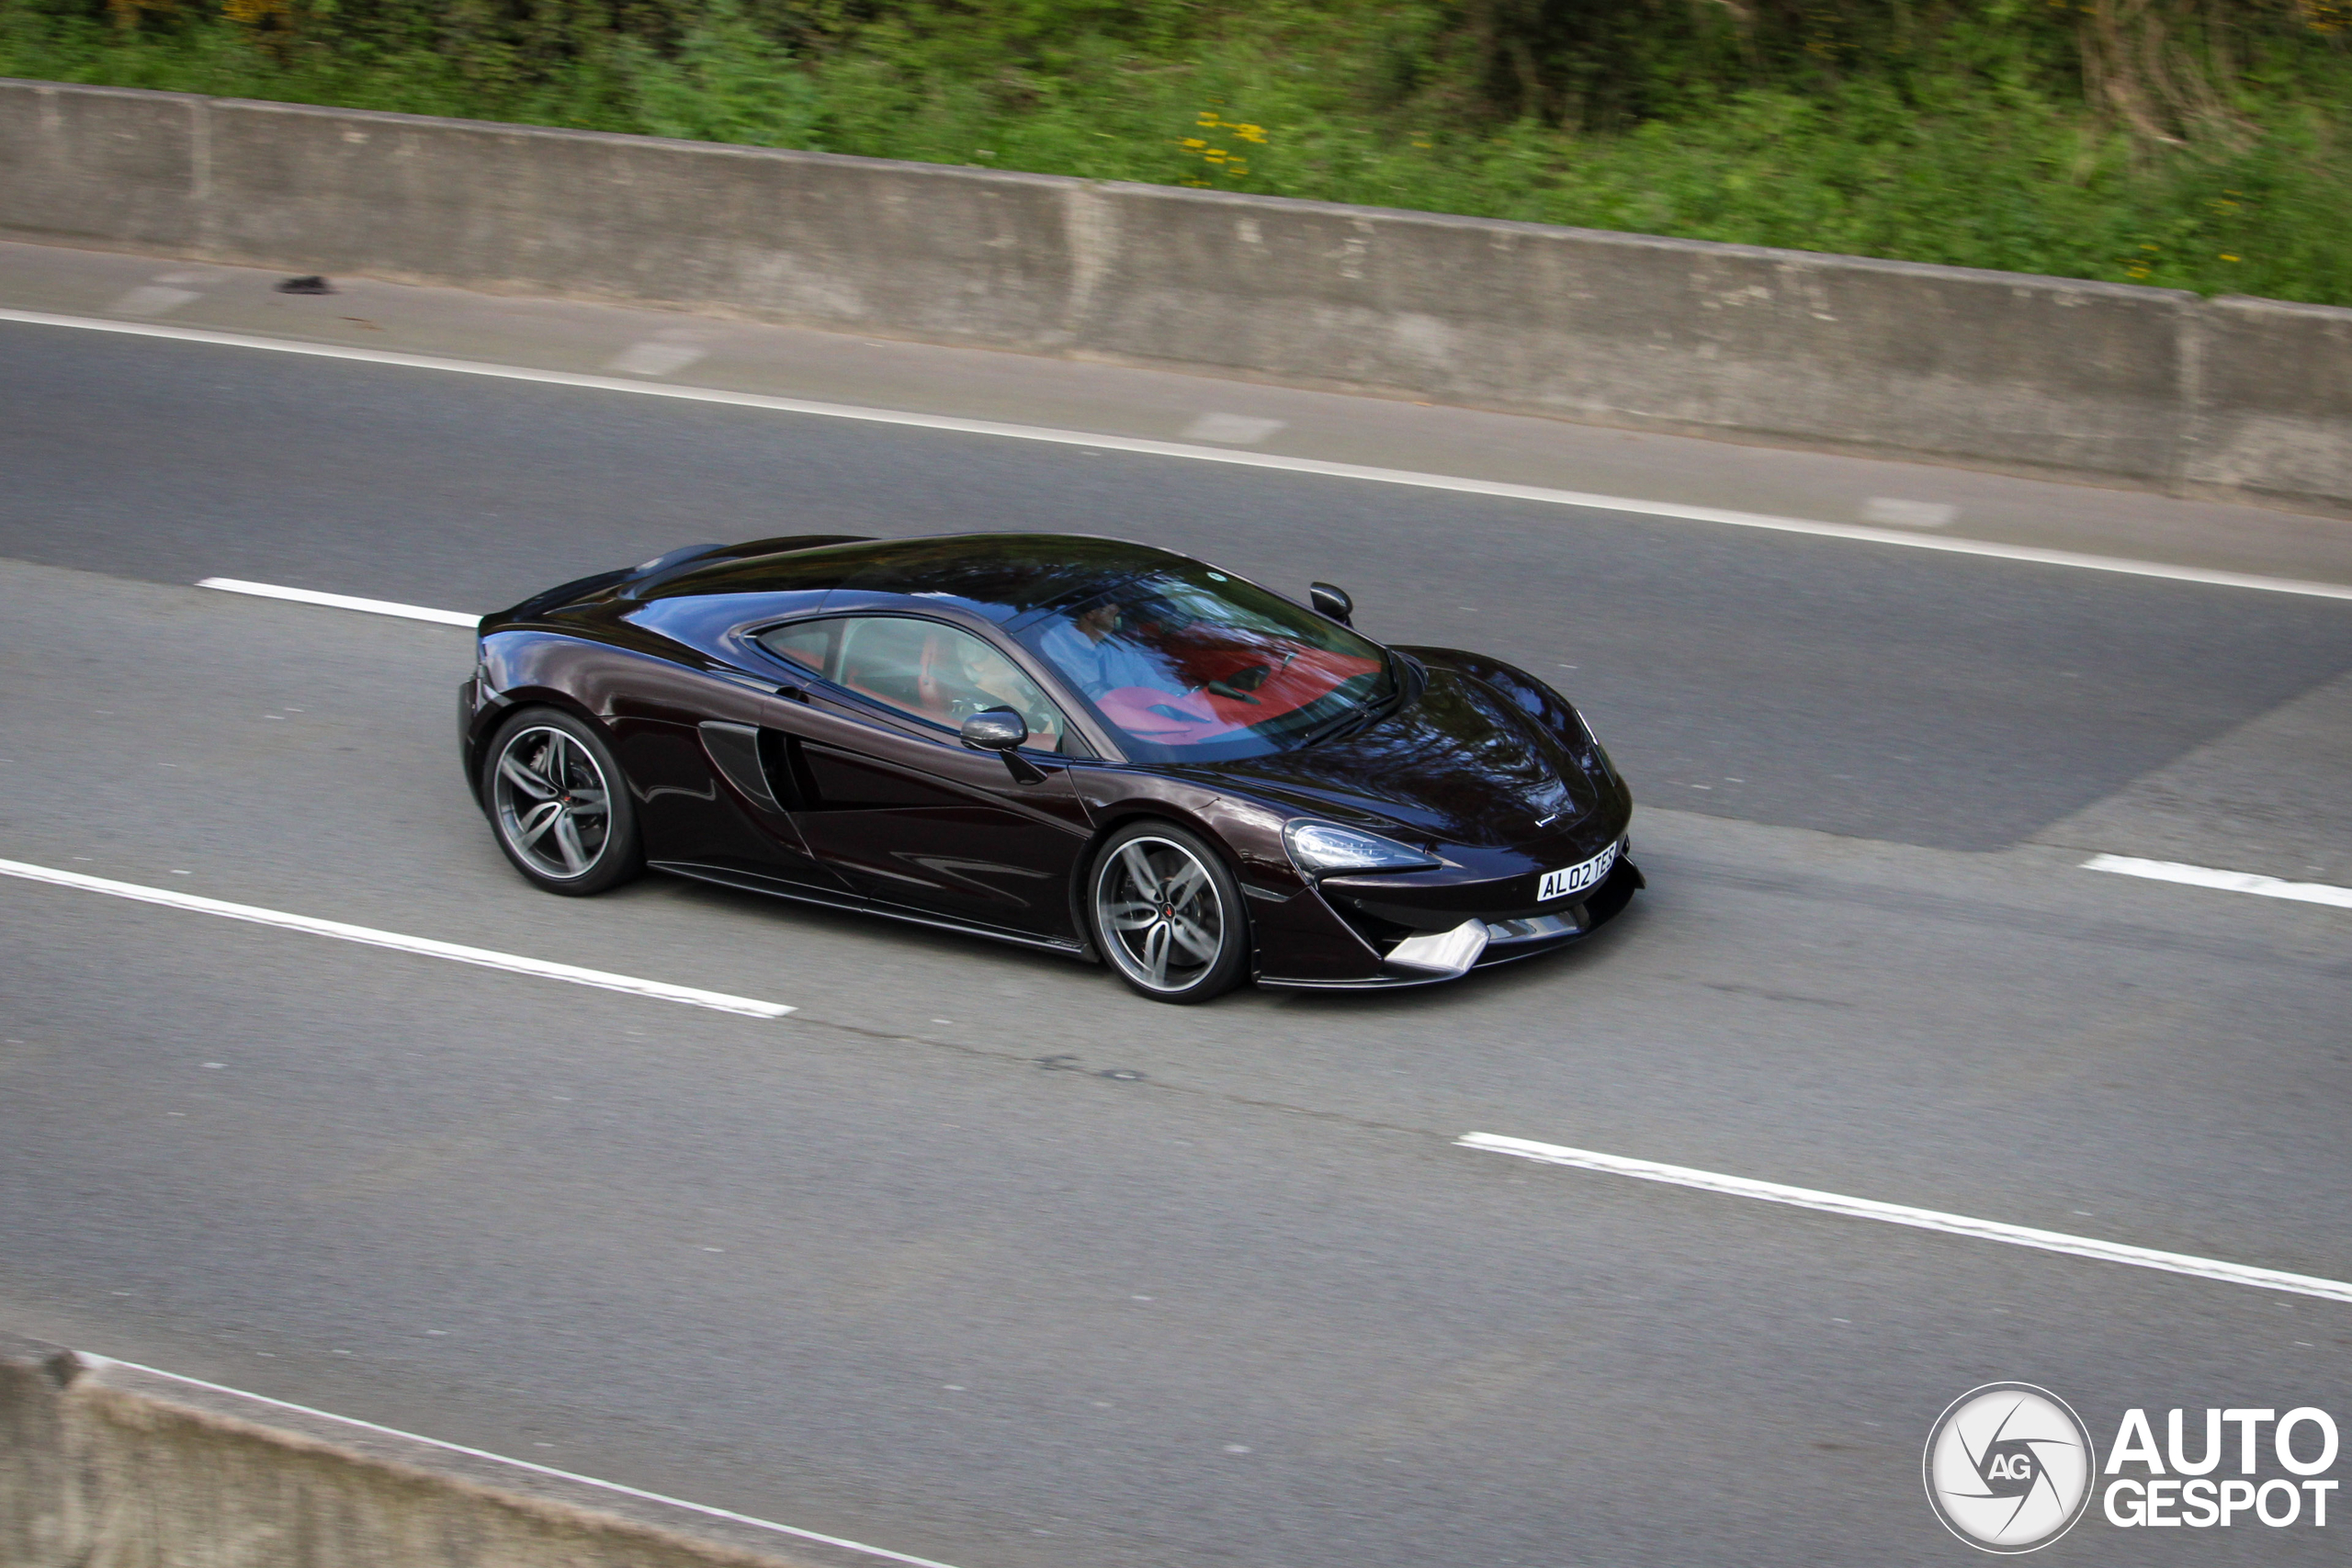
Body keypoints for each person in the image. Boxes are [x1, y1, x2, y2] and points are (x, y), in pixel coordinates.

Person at [1037, 600, 1186, 702]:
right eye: (1109, 604)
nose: (1117, 609)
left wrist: (1188, 698)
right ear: (1091, 613)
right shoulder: (1055, 650)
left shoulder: (1116, 648)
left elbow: (1156, 685)